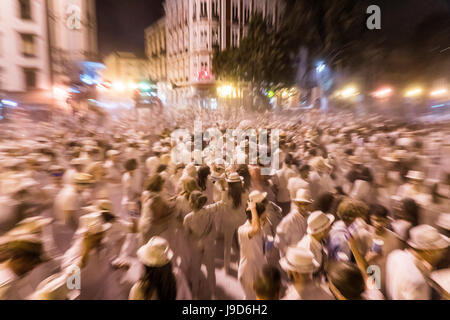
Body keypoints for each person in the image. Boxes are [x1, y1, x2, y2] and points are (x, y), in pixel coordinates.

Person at [386, 225, 449, 300]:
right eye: (440, 251)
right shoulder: (418, 282)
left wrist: (423, 268)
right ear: (428, 252)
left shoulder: (395, 255)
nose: (441, 255)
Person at [183, 190, 225, 299]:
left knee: (195, 271)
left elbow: (186, 235)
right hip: (209, 244)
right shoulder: (209, 211)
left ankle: (195, 295)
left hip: (195, 245)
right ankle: (213, 294)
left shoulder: (187, 218)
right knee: (210, 270)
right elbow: (220, 204)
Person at [238, 197, 267, 300]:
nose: (266, 220)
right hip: (249, 272)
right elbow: (256, 229)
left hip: (258, 268)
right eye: (263, 218)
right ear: (255, 217)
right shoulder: (243, 230)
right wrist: (253, 209)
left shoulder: (260, 227)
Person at [222, 172, 248, 274]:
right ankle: (240, 264)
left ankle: (226, 267)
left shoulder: (225, 193)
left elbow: (223, 207)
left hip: (229, 222)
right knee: (241, 245)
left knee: (227, 245)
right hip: (241, 221)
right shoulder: (245, 193)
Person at [297, 210, 335, 278]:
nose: (331, 228)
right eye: (329, 226)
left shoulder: (320, 240)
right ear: (322, 231)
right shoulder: (307, 248)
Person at [275, 189, 312, 258]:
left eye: (306, 204)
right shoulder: (289, 220)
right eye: (301, 204)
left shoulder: (310, 217)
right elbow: (278, 241)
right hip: (292, 259)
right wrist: (290, 253)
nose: (303, 207)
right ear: (297, 204)